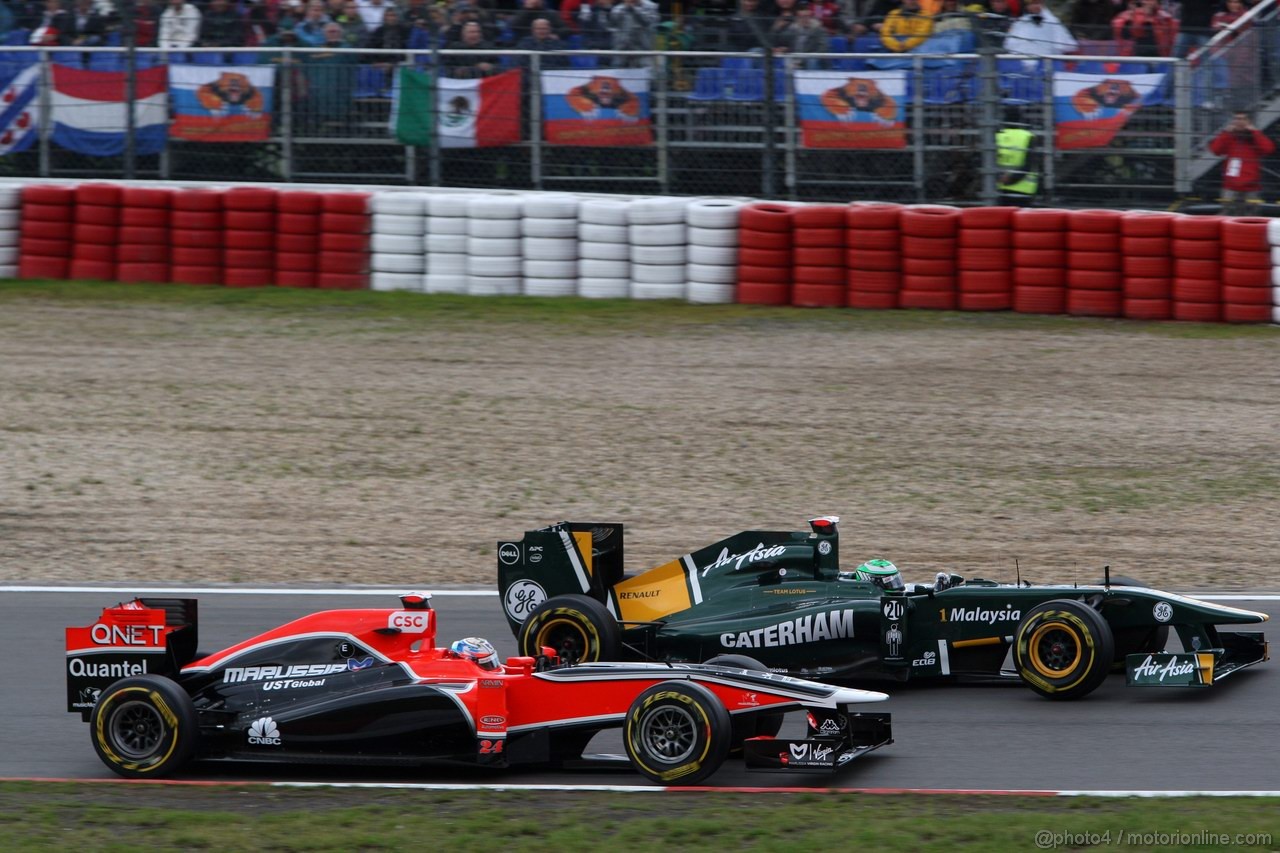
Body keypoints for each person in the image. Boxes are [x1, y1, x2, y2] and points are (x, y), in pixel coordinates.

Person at [1209, 112, 1274, 214]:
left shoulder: (1255, 138)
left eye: (1243, 119)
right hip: (1231, 186)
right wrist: (1225, 133)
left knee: (1251, 216)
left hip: (1251, 187)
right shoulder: (1229, 137)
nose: (1239, 122)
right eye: (1236, 119)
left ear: (1249, 122)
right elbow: (1215, 150)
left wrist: (1255, 132)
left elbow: (1268, 149)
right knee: (1227, 215)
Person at [997, 106, 1040, 203]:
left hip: (999, 188)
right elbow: (1029, 164)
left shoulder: (996, 136)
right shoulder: (1028, 136)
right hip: (1024, 190)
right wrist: (1012, 178)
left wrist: (1000, 178)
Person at [1003, 0, 1076, 56]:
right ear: (1027, 6)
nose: (1035, 6)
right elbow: (1010, 45)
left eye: (1038, 3)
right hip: (1025, 63)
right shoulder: (1020, 23)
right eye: (1032, 4)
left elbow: (1067, 44)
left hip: (1049, 61)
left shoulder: (1052, 21)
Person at [1110, 0, 1176, 58]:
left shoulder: (1166, 18)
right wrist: (1140, 14)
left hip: (1160, 58)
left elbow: (1172, 40)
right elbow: (1134, 33)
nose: (1144, 2)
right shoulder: (1123, 18)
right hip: (1133, 59)